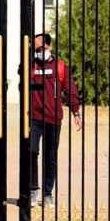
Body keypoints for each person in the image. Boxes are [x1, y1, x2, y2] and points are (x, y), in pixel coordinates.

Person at [27, 30, 81, 207]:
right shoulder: (31, 65)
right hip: (34, 118)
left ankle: (48, 193)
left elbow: (71, 89)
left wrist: (76, 112)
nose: (38, 52)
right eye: (35, 49)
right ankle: (33, 190)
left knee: (50, 157)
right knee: (32, 151)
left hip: (53, 118)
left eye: (41, 48)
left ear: (49, 46)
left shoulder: (59, 66)